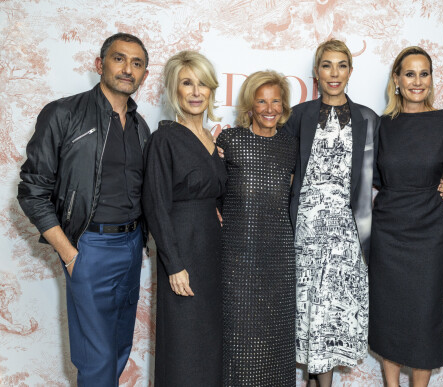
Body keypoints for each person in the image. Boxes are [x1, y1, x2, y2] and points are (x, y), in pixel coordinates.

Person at [17, 33, 150, 386]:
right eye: (119, 59)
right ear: (99, 64)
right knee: (96, 358)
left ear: (145, 75)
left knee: (120, 347)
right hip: (89, 248)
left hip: (132, 244)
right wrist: (69, 253)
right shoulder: (63, 113)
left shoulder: (141, 127)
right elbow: (32, 190)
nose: (127, 69)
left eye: (137, 63)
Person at [283, 39, 379, 387]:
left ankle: (317, 381)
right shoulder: (297, 115)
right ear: (316, 72)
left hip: (348, 235)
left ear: (350, 71)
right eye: (327, 65)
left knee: (332, 315)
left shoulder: (369, 119)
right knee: (310, 309)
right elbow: (280, 168)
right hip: (305, 232)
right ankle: (315, 380)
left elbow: (384, 174)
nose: (334, 73)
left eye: (341, 65)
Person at [368, 46, 443, 387]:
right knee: (388, 314)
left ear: (431, 79)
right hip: (387, 234)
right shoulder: (381, 125)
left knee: (425, 318)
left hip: (429, 236)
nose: (417, 81)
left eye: (424, 74)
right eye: (410, 73)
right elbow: (372, 177)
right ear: (397, 79)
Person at [142, 51, 227, 386]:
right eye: (187, 83)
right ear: (174, 91)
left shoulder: (212, 139)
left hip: (212, 251)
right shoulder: (163, 138)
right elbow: (156, 205)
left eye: (202, 84)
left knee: (209, 340)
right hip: (182, 253)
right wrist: (173, 264)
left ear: (211, 90)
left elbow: (218, 195)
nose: (195, 92)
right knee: (182, 342)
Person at [216, 70, 297, 386]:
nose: (269, 108)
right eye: (261, 101)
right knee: (238, 341)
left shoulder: (291, 145)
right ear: (250, 105)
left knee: (275, 342)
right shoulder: (230, 139)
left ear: (284, 105)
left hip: (278, 258)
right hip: (237, 260)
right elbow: (208, 185)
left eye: (275, 101)